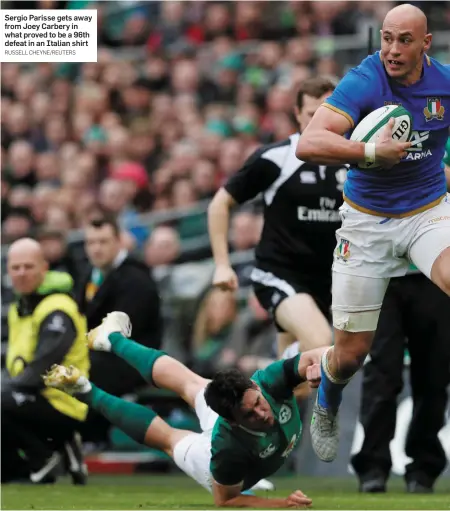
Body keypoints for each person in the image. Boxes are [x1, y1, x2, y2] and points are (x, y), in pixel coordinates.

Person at [296, 3, 450, 462]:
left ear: (426, 43)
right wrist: (368, 152)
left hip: (428, 213)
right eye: (386, 38)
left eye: (404, 40)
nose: (392, 49)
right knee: (351, 355)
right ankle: (327, 388)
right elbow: (309, 142)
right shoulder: (365, 80)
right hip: (366, 224)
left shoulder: (444, 83)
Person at [44, 311, 324, 508]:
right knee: (169, 438)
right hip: (223, 456)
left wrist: (327, 364)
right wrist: (280, 505)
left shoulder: (266, 383)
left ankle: (113, 339)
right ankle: (85, 390)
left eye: (258, 403)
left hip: (239, 430)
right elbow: (225, 500)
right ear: (232, 421)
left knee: (193, 384)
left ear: (255, 387)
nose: (263, 413)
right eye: (250, 414)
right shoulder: (225, 448)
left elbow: (314, 356)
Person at [208, 76, 347, 356]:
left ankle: (266, 388)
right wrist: (223, 265)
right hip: (280, 274)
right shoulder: (276, 158)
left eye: (329, 114)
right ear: (297, 114)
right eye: (312, 115)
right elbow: (219, 204)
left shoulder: (354, 160)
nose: (322, 122)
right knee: (320, 344)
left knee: (300, 381)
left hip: (329, 282)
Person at [351, 272, 450, 494]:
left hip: (435, 270)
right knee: (382, 372)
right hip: (384, 272)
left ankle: (424, 468)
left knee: (434, 374)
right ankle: (373, 465)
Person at [2, 238, 89, 484]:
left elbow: (45, 367)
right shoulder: (19, 307)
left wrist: (6, 389)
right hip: (32, 399)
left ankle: (46, 454)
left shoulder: (57, 308)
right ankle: (19, 471)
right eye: (15, 267)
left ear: (44, 267)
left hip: (64, 403)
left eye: (28, 267)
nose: (21, 273)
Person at [79, 215, 163, 443]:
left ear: (119, 241)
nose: (96, 249)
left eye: (103, 242)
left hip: (131, 361)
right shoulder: (88, 274)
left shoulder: (136, 279)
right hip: (98, 356)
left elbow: (120, 334)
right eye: (91, 242)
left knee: (82, 369)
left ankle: (90, 439)